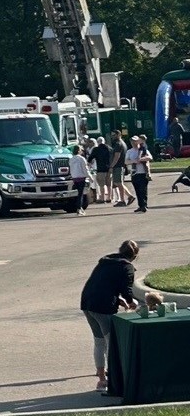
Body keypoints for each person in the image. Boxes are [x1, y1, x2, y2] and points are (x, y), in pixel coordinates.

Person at [80, 239, 140, 392]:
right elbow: (127, 290)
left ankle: (101, 374)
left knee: (99, 341)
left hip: (87, 302)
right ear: (135, 256)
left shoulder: (106, 261)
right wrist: (131, 302)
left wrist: (118, 300)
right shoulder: (127, 267)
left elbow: (102, 284)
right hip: (103, 306)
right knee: (110, 342)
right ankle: (107, 380)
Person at [125, 134, 151, 213]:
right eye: (132, 141)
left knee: (143, 190)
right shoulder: (129, 151)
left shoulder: (143, 150)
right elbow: (126, 161)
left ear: (138, 141)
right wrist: (133, 161)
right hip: (134, 173)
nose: (133, 142)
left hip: (143, 173)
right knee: (137, 191)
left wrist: (141, 159)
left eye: (135, 141)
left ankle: (144, 205)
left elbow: (150, 157)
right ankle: (140, 205)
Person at [108, 130, 132, 207]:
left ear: (118, 135)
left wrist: (112, 166)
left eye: (114, 135)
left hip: (118, 166)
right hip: (120, 165)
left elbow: (117, 156)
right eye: (112, 135)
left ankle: (122, 200)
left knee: (119, 183)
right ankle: (129, 196)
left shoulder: (118, 144)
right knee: (117, 183)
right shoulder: (122, 143)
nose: (112, 137)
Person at [69, 144, 90, 214]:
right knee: (80, 194)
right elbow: (85, 169)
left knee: (78, 193)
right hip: (81, 177)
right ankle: (79, 208)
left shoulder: (71, 159)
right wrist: (89, 177)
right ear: (79, 151)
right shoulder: (81, 159)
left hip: (75, 178)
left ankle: (79, 207)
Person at [90, 136, 111, 203]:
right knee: (109, 184)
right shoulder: (109, 148)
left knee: (101, 185)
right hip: (109, 169)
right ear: (104, 141)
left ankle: (102, 198)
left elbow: (90, 158)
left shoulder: (96, 149)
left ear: (98, 142)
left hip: (100, 169)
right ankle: (109, 198)